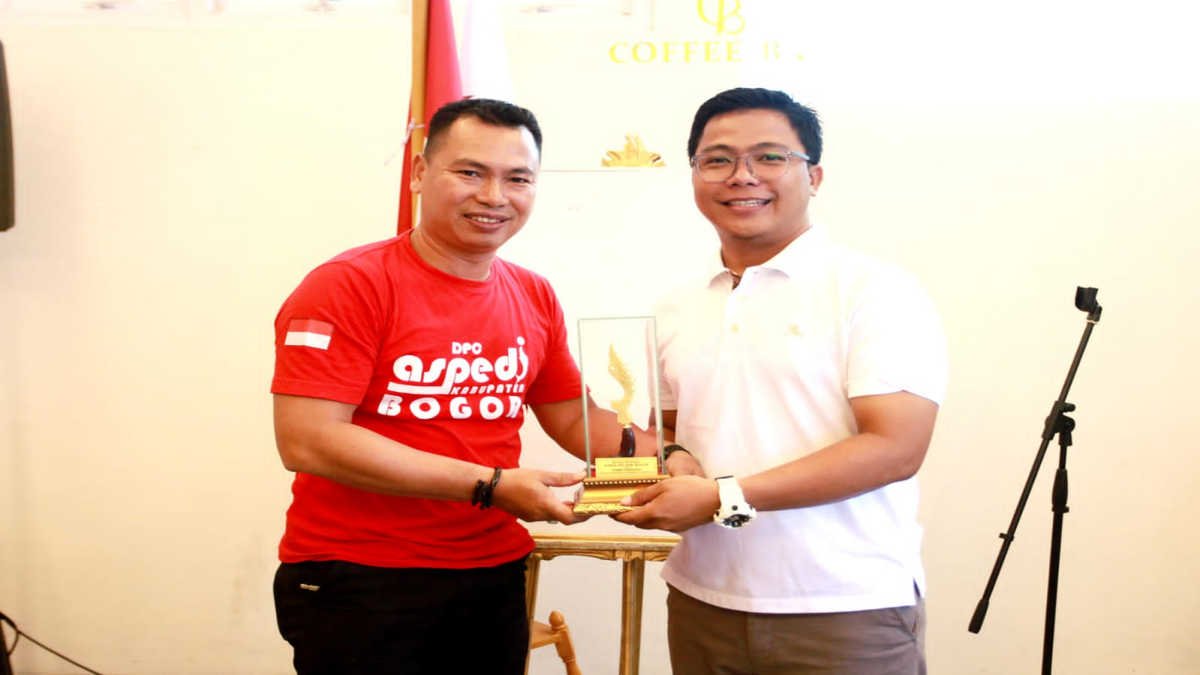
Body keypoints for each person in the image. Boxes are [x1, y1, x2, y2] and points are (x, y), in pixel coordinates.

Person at [270, 97, 652, 675]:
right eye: (471, 172)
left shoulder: (532, 293)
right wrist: (492, 485)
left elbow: (574, 417)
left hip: (491, 571)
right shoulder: (348, 285)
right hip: (361, 577)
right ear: (420, 173)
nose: (494, 196)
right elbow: (309, 440)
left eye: (517, 178)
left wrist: (665, 460)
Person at [616, 87, 948, 674]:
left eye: (770, 157)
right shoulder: (675, 306)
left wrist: (722, 496)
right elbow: (666, 432)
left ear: (813, 176)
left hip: (842, 608)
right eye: (717, 160)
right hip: (702, 599)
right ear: (694, 176)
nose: (741, 176)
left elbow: (896, 448)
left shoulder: (873, 290)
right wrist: (670, 459)